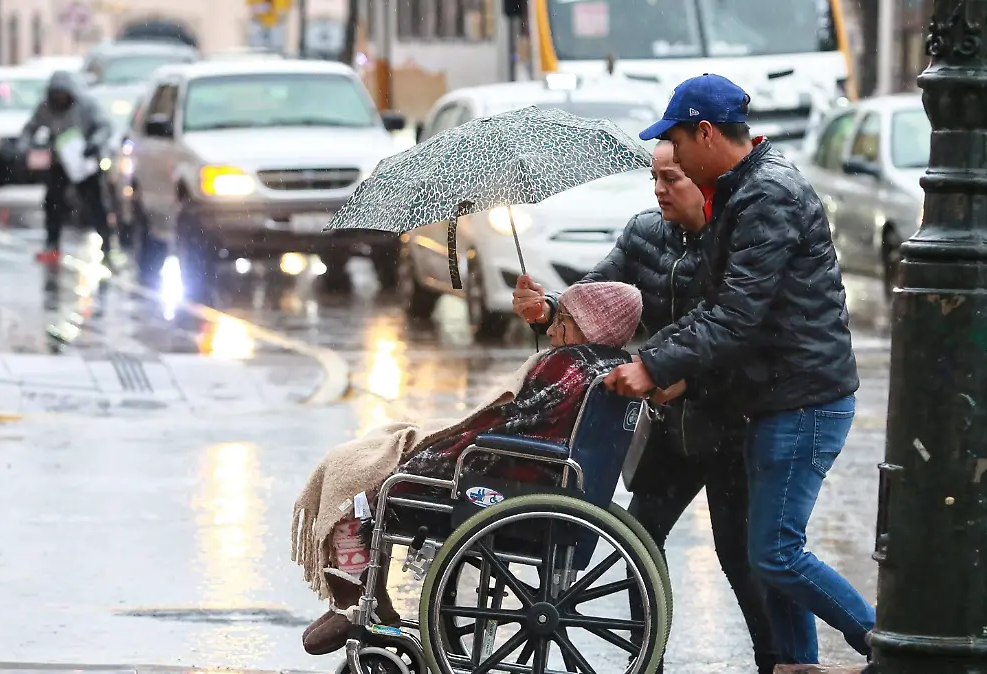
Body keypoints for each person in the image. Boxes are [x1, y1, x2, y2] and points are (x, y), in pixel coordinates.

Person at [603, 73, 875, 665]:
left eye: (677, 142)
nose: (672, 157)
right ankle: (794, 665)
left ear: (705, 132)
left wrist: (653, 365)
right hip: (771, 397)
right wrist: (665, 366)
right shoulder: (738, 190)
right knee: (765, 555)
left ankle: (884, 643)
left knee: (775, 552)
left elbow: (736, 314)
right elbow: (715, 310)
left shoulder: (767, 194)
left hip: (803, 399)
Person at [513, 141, 778, 673]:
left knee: (739, 555)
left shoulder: (736, 237)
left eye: (671, 178)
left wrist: (684, 377)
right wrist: (547, 310)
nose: (659, 190)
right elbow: (593, 299)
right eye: (654, 178)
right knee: (640, 543)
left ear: (703, 177)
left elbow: (748, 331)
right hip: (669, 425)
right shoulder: (644, 234)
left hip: (732, 423)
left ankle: (777, 661)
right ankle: (647, 660)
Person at [290, 281, 644, 656]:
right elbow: (519, 420)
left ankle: (358, 601)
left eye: (563, 322)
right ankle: (362, 598)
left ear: (588, 327)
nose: (553, 330)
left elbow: (506, 428)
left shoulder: (568, 365)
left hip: (504, 483)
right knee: (381, 457)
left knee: (362, 488)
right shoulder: (608, 365)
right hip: (536, 479)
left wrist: (436, 453)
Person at [21, 71, 115, 264]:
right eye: (55, 96)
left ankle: (107, 246)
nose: (59, 100)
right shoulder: (46, 108)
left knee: (95, 204)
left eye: (62, 95)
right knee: (53, 202)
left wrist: (94, 143)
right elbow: (29, 129)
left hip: (85, 162)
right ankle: (52, 244)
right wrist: (29, 146)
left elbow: (105, 126)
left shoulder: (87, 106)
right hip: (60, 161)